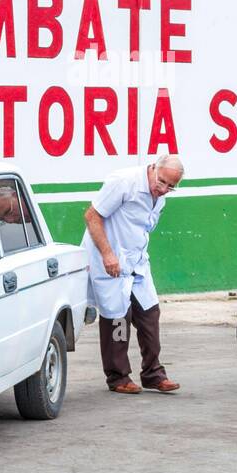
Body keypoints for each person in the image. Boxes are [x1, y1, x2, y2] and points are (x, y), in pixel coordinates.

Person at [81, 155, 184, 394]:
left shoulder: (159, 198)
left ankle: (153, 373)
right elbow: (91, 216)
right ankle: (118, 377)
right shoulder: (123, 182)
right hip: (109, 261)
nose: (164, 189)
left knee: (150, 313)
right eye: (161, 182)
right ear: (152, 168)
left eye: (171, 186)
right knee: (118, 317)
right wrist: (107, 254)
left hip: (136, 263)